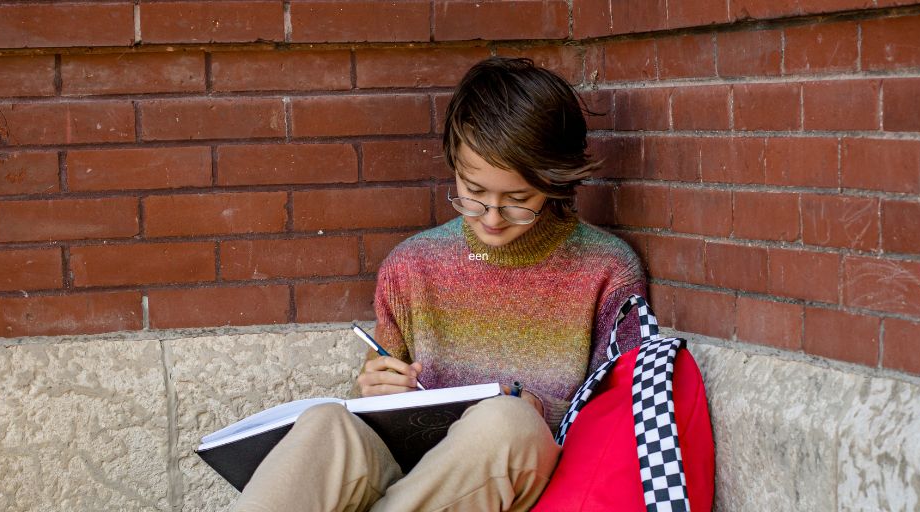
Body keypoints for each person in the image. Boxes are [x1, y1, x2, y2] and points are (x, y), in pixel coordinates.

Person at [233, 56, 646, 512]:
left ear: (554, 181)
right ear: (454, 165)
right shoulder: (410, 266)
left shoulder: (607, 268)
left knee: (505, 424)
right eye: (473, 191)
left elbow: (618, 417)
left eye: (517, 199)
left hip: (516, 475)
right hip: (415, 479)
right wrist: (374, 387)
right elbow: (378, 408)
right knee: (325, 424)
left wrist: (539, 407)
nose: (491, 216)